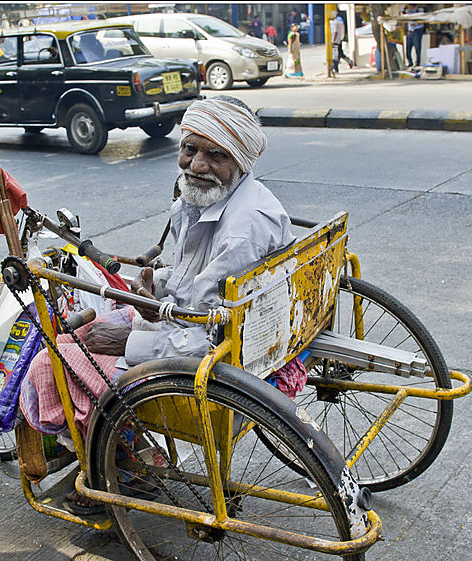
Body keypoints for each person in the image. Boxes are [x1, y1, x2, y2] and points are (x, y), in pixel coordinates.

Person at [18, 96, 296, 513]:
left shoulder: (242, 230)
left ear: (240, 160)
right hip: (196, 330)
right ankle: (121, 450)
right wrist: (155, 286)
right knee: (75, 335)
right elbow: (195, 279)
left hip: (215, 360)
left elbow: (212, 340)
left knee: (52, 360)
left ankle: (123, 465)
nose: (196, 165)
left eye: (215, 155)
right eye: (189, 149)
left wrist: (128, 342)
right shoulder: (206, 198)